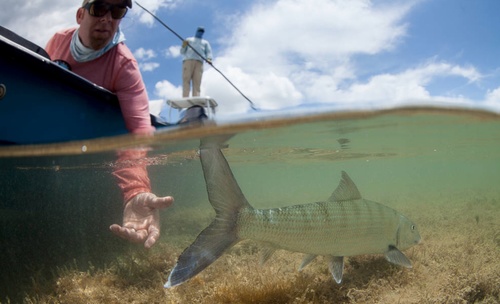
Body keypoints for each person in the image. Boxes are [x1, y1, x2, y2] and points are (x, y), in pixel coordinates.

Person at [45, 0, 174, 249]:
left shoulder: (124, 65)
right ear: (80, 14)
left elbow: (139, 134)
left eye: (117, 11)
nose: (107, 18)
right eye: (99, 8)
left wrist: (136, 190)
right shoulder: (58, 40)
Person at [181, 26, 213, 97]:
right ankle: (185, 97)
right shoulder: (189, 39)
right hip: (188, 60)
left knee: (197, 81)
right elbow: (182, 52)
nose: (200, 32)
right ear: (196, 31)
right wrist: (184, 45)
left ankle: (196, 98)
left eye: (202, 31)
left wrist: (209, 59)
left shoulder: (205, 42)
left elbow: (208, 52)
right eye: (199, 31)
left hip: (199, 62)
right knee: (186, 79)